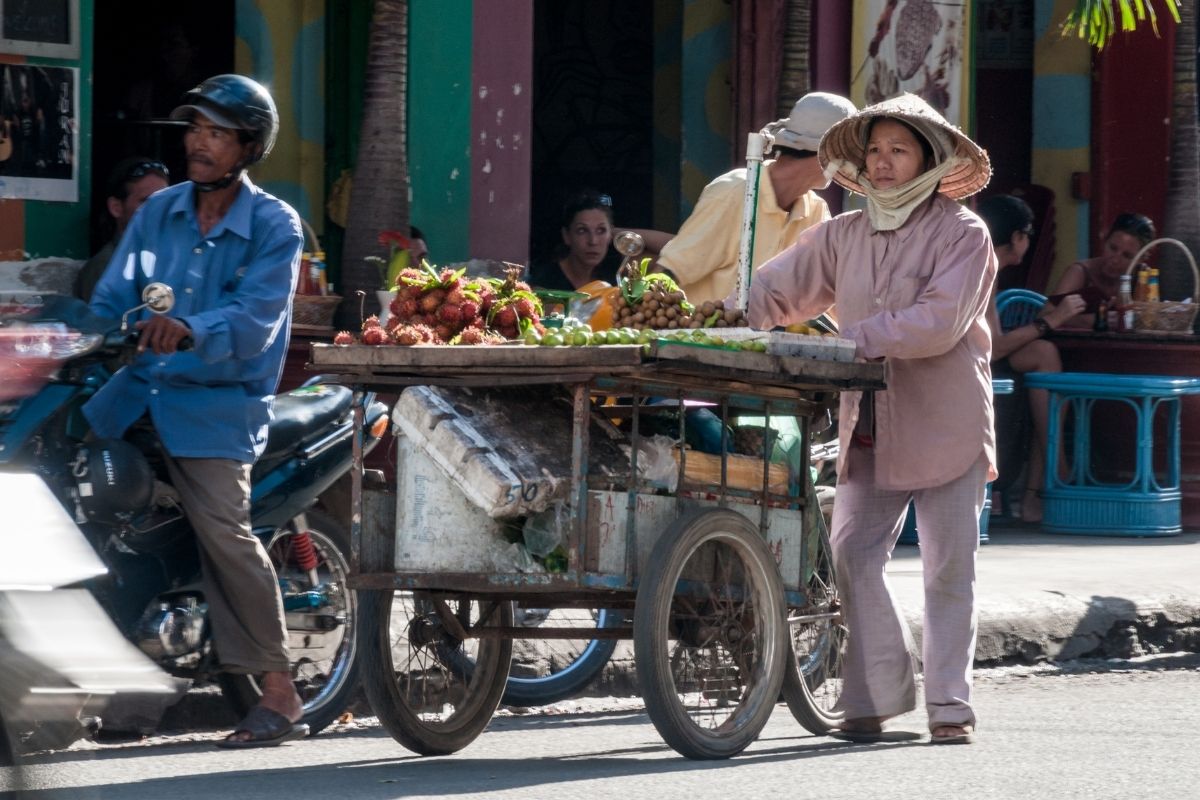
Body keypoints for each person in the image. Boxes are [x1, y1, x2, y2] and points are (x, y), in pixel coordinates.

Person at [743, 93, 995, 745]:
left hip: (947, 421)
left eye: (899, 150)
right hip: (870, 424)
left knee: (949, 566)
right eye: (875, 150)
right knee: (851, 555)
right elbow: (777, 289)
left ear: (930, 161)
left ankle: (948, 706)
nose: (883, 163)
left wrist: (852, 339)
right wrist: (730, 312)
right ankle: (874, 693)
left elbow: (940, 322)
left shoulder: (964, 234)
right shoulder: (842, 234)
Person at [85, 74, 307, 749]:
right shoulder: (159, 212)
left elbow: (256, 318)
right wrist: (74, 331)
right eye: (194, 129)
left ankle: (279, 689)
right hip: (132, 396)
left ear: (248, 145)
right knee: (74, 507)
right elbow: (113, 293)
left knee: (221, 530)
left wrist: (191, 328)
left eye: (215, 132)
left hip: (215, 407)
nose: (198, 143)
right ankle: (124, 682)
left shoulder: (274, 225)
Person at [655, 91, 857, 303]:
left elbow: (827, 289)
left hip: (772, 336)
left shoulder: (816, 210)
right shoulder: (734, 192)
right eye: (845, 157)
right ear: (826, 156)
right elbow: (669, 273)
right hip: (702, 333)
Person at [978, 195, 1085, 523]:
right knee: (1045, 354)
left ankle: (1039, 487)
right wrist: (1050, 321)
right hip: (967, 359)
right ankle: (1050, 476)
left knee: (1044, 354)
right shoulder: (983, 265)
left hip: (981, 354)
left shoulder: (988, 263)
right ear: (1017, 238)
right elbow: (993, 347)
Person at [75, 157, 171, 302]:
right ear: (116, 208)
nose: (160, 209)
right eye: (147, 201)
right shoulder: (106, 268)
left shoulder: (172, 258)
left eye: (166, 201)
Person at [1050, 212, 1156, 328]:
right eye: (1112, 248)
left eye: (1127, 255)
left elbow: (1151, 321)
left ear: (1140, 260)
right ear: (1105, 240)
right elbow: (1046, 316)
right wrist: (1097, 320)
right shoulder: (1081, 272)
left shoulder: (1143, 277)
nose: (1115, 260)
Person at [527, 189, 622, 291]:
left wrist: (621, 234)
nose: (593, 241)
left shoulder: (613, 277)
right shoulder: (545, 281)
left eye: (601, 230)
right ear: (567, 235)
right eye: (582, 230)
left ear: (611, 234)